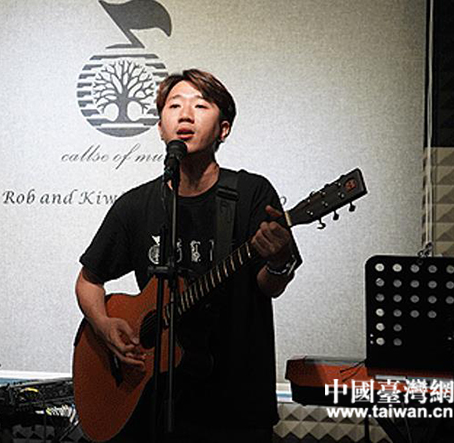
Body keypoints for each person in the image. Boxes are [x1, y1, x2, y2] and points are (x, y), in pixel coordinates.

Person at [75, 69, 301, 442]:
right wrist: (103, 325)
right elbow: (88, 280)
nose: (185, 114)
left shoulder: (251, 193)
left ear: (223, 129)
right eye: (174, 106)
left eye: (200, 105)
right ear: (160, 128)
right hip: (150, 405)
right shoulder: (135, 205)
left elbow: (270, 286)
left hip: (234, 404)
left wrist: (278, 261)